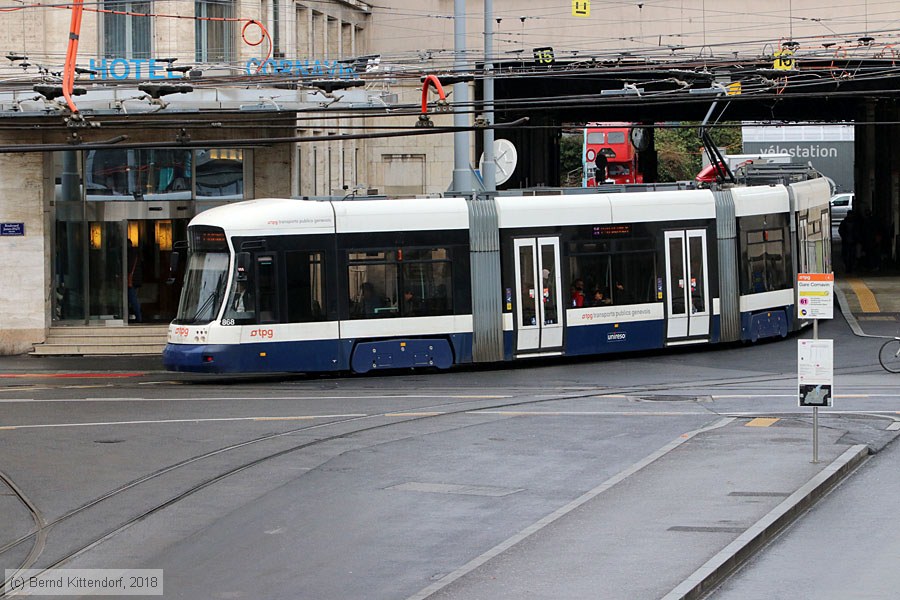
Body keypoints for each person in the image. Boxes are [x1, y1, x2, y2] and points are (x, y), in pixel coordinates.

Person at [127, 240, 142, 323]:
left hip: (131, 279)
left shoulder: (130, 253)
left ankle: (138, 317)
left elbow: (129, 267)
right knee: (133, 298)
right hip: (135, 279)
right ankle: (137, 316)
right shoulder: (136, 253)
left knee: (132, 298)